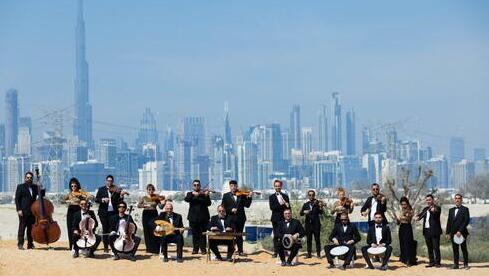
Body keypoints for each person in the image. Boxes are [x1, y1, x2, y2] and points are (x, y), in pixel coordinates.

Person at [95, 175, 127, 252]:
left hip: (113, 213)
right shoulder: (101, 189)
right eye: (108, 181)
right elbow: (96, 199)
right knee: (105, 229)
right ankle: (106, 247)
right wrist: (102, 200)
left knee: (113, 229)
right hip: (103, 213)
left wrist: (121, 195)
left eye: (111, 181)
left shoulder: (116, 189)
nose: (110, 182)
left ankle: (114, 246)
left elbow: (119, 201)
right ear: (106, 181)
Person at [15, 171, 45, 250]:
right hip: (23, 211)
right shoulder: (20, 186)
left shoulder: (35, 187)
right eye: (27, 177)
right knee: (22, 227)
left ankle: (30, 244)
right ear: (25, 178)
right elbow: (17, 199)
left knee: (30, 229)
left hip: (33, 211)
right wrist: (19, 209)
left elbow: (42, 194)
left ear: (32, 179)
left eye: (31, 178)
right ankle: (20, 244)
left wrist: (41, 187)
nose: (29, 179)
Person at [221, 180, 252, 256]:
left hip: (240, 218)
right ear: (230, 187)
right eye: (231, 186)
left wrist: (250, 197)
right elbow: (223, 207)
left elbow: (247, 205)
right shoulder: (225, 196)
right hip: (230, 219)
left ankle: (240, 251)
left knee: (239, 235)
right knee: (230, 235)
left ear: (237, 186)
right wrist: (231, 210)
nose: (233, 187)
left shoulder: (241, 194)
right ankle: (231, 251)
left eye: (235, 186)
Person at [184, 179, 211, 255]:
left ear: (200, 186)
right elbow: (187, 199)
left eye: (198, 185)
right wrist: (194, 194)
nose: (196, 186)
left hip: (204, 217)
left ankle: (203, 249)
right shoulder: (190, 194)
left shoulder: (204, 194)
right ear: (193, 186)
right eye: (195, 185)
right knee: (194, 234)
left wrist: (206, 195)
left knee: (203, 234)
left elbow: (208, 203)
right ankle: (195, 249)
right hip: (193, 218)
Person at [64, 177, 90, 251]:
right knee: (70, 228)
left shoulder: (81, 192)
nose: (73, 187)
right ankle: (71, 245)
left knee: (79, 227)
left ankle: (79, 245)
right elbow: (64, 200)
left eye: (75, 186)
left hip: (78, 210)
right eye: (72, 186)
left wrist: (81, 196)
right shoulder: (70, 194)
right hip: (70, 211)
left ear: (77, 185)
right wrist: (68, 201)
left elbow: (87, 197)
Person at [416, 194, 442, 268]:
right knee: (429, 247)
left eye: (429, 200)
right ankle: (431, 262)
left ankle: (438, 262)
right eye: (427, 200)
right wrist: (416, 217)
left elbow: (435, 212)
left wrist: (433, 210)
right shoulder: (425, 209)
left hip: (435, 231)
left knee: (436, 247)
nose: (428, 201)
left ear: (432, 200)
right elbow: (420, 216)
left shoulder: (437, 208)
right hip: (426, 230)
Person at [137, 183, 164, 254]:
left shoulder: (156, 198)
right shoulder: (144, 197)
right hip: (146, 214)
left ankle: (155, 249)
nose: (151, 191)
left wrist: (164, 201)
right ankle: (148, 249)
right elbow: (138, 205)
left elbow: (161, 207)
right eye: (149, 189)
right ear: (147, 190)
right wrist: (145, 205)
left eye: (152, 190)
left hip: (154, 214)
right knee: (146, 231)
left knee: (155, 231)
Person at [446, 193, 470, 270]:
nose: (457, 200)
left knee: (463, 248)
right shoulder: (451, 210)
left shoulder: (465, 209)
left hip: (462, 233)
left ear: (461, 199)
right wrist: (448, 232)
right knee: (455, 249)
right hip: (453, 233)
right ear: (454, 200)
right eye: (456, 198)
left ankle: (466, 264)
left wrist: (460, 231)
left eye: (459, 198)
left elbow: (466, 221)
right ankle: (456, 265)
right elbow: (449, 222)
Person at [269, 179, 290, 257]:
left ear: (281, 186)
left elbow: (288, 208)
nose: (277, 187)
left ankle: (285, 251)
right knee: (276, 236)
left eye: (279, 186)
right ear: (274, 187)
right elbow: (272, 208)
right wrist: (281, 204)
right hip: (275, 219)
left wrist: (287, 206)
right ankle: (276, 252)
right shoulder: (271, 197)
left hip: (284, 219)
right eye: (276, 186)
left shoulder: (285, 196)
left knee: (285, 235)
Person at [300, 189, 323, 258]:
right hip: (308, 225)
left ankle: (318, 254)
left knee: (317, 239)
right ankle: (309, 254)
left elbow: (321, 212)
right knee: (309, 240)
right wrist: (304, 212)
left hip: (316, 224)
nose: (311, 196)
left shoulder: (318, 203)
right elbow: (301, 213)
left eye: (312, 195)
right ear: (308, 196)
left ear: (314, 195)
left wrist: (321, 207)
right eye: (310, 195)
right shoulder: (305, 204)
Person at [396, 197, 417, 266]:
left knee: (408, 243)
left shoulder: (410, 210)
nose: (403, 206)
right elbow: (398, 221)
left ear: (407, 204)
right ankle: (403, 258)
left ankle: (410, 260)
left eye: (405, 204)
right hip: (401, 227)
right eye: (402, 204)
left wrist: (402, 216)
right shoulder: (400, 210)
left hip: (407, 227)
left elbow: (408, 218)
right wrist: (398, 219)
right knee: (402, 242)